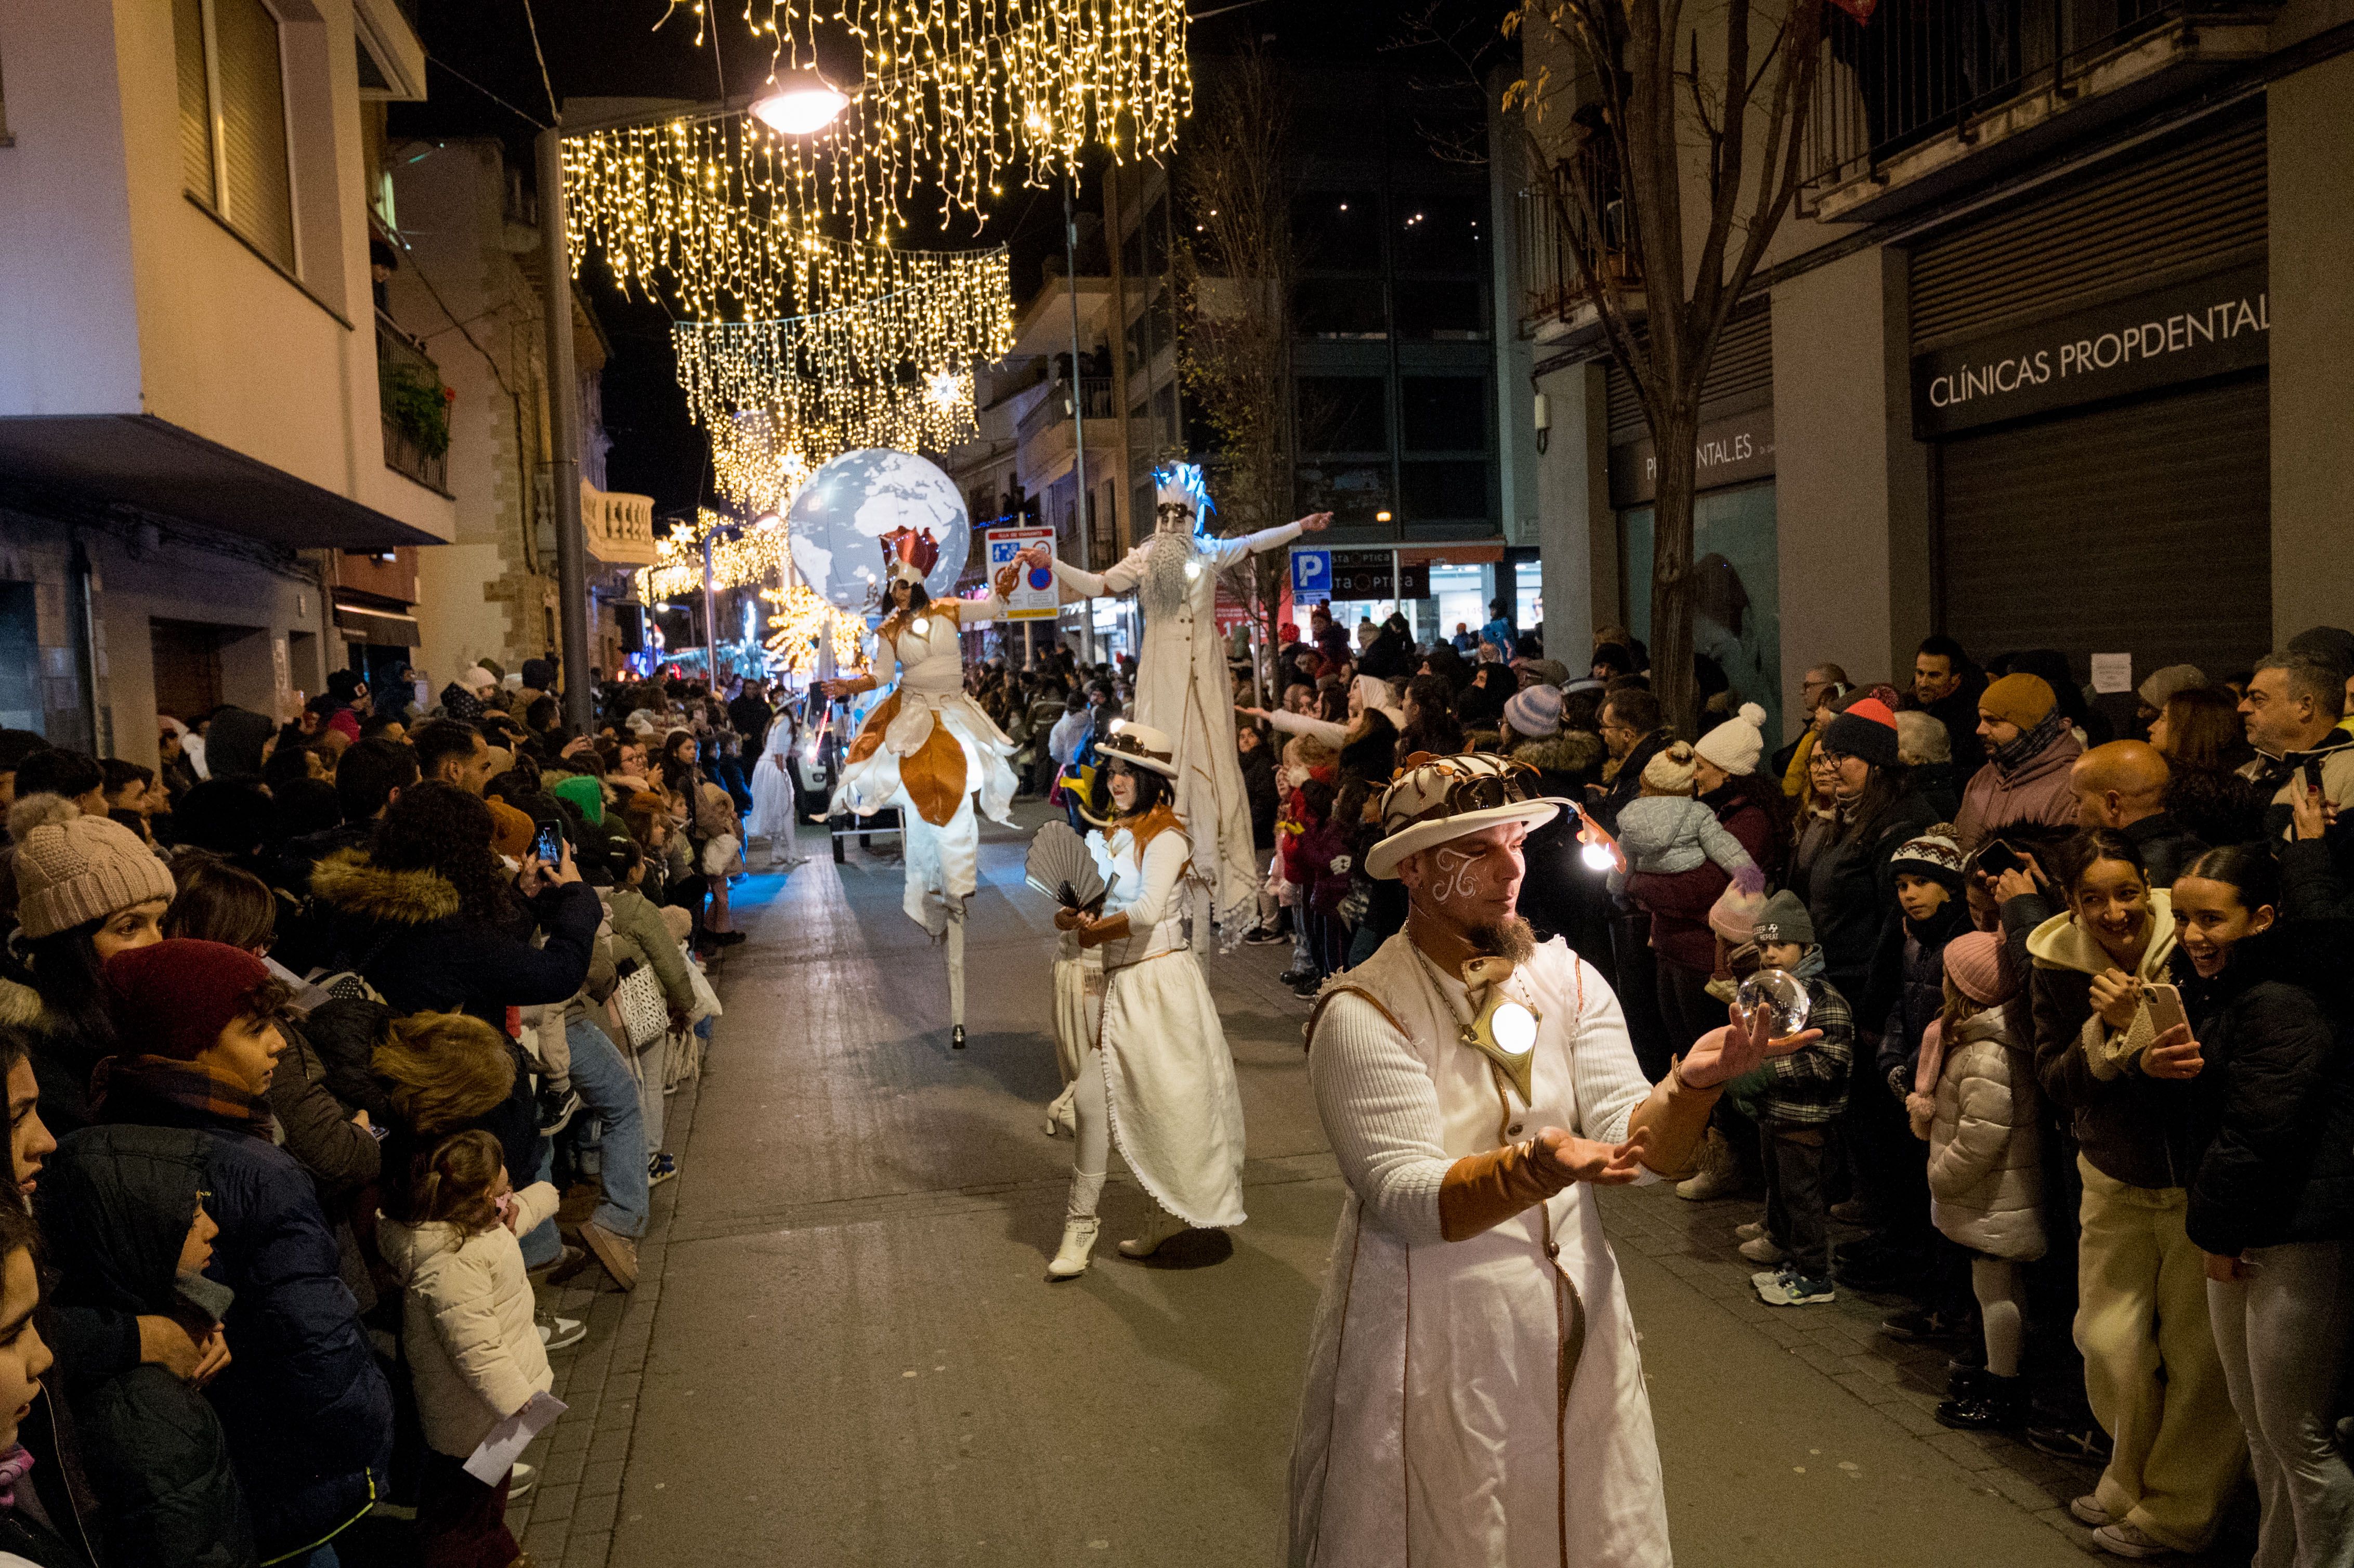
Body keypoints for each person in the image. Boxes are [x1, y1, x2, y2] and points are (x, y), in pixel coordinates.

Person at [1288, 751, 1819, 1565]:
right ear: (1418, 871)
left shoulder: (1566, 977)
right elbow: (1405, 1198)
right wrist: (1540, 1164)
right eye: (1481, 850)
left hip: (1577, 1321)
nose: (1512, 867)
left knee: (1586, 1527)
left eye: (1516, 840)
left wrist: (1689, 1087)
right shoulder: (1362, 1008)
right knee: (1448, 1531)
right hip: (1431, 1335)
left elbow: (1635, 1153)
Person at [98, 939, 394, 1565]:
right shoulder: (255, 1167)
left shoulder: (114, 1132)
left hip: (226, 1458)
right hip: (286, 1458)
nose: (279, 1043)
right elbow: (314, 1339)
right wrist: (371, 1430)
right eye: (256, 1028)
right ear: (193, 1039)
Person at [2024, 831, 2241, 1559]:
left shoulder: (2191, 936)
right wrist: (2106, 1033)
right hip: (2112, 1177)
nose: (2114, 913)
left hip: (2191, 1184)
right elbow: (2054, 1078)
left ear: (2146, 883)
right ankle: (2128, 1473)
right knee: (2108, 1343)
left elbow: (2220, 1053)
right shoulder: (2054, 958)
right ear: (2071, 903)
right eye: (2092, 899)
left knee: (2197, 1361)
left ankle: (2175, 1513)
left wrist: (2148, 1035)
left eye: (2125, 893)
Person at [1025, 466, 1330, 943]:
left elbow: (1255, 542)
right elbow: (1097, 584)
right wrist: (1053, 565)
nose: (1170, 521)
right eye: (1164, 512)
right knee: (1166, 754)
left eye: (1180, 512)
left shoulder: (1210, 553)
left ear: (1194, 517)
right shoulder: (1145, 558)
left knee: (1211, 756)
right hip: (1163, 672)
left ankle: (1207, 854)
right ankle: (1165, 846)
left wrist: (1299, 528)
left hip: (1205, 673)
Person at [2171, 846, 2354, 1568]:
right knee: (2260, 1429)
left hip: (2294, 1234)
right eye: (2183, 917)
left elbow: (2260, 1133)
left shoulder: (2280, 998)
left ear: (2264, 918)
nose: (2193, 934)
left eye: (2212, 918)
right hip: (2253, 1227)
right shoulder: (2232, 990)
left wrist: (2220, 1231)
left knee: (2299, 1438)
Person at [1044, 723, 1248, 1278]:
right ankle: (1080, 1225)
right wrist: (1072, 915)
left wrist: (1093, 929)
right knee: (1090, 1104)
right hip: (1116, 987)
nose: (1116, 781)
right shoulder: (1112, 833)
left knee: (1167, 1107)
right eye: (1112, 771)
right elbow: (1091, 898)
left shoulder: (1167, 838)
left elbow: (1148, 910)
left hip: (1158, 987)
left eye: (1128, 773)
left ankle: (1166, 1213)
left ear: (1153, 781)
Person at [823, 558, 1027, 1048]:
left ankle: (954, 889)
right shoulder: (889, 631)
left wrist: (1006, 580)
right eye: (892, 586)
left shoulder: (952, 611)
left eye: (902, 585)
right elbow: (879, 676)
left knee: (960, 806)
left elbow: (994, 609)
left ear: (917, 585)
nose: (896, 594)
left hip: (957, 718)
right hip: (917, 723)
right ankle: (937, 889)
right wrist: (848, 686)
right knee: (923, 801)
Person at [38, 1126, 257, 1568]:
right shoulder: (149, 1417)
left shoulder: (142, 1325)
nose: (212, 1228)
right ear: (133, 1233)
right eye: (192, 1215)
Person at [378, 1129, 561, 1568]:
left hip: (483, 1418)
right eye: (504, 1190)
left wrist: (545, 1197)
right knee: (460, 1518)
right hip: (477, 1419)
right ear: (482, 1196)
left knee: (480, 1504)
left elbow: (514, 1222)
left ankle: (503, 1557)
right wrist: (519, 1401)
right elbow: (477, 1352)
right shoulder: (455, 1263)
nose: (509, 1196)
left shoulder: (465, 1232)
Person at [1916, 931, 2045, 1433]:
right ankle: (2001, 1371)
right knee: (1999, 1289)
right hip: (1995, 1196)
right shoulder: (1984, 1040)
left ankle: (2003, 1388)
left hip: (1994, 1196)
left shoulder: (1987, 1054)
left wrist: (1940, 1177)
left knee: (1997, 1292)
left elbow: (1981, 1136)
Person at [1, 798, 176, 1133]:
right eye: (130, 927)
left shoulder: (123, 1013)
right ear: (70, 944)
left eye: (160, 923)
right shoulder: (36, 1065)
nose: (158, 945)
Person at [1723, 891, 1854, 1306]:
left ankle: (1814, 1275)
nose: (1771, 954)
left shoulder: (1824, 999)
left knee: (1803, 1197)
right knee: (1779, 1185)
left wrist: (1767, 1073)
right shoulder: (1774, 991)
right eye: (1764, 946)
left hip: (1805, 1117)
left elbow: (1831, 1060)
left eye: (1782, 945)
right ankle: (1788, 1254)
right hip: (1776, 1113)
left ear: (1807, 947)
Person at [1601, 741, 1765, 1054]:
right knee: (1703, 1039)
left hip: (1665, 939)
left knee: (1678, 1034)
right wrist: (1750, 875)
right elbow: (1724, 848)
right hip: (1693, 945)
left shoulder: (1630, 821)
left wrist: (1619, 892)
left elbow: (1622, 864)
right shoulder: (1698, 813)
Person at [1957, 673, 2084, 852]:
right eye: (1981, 719)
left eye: (1993, 722)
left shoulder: (2071, 786)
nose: (1980, 730)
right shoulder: (1983, 778)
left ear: (2029, 726)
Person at [2239, 650, 2354, 839]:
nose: (2242, 707)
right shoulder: (2249, 773)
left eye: (2258, 699)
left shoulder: (2349, 771)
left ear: (2305, 706)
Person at [2069, 741, 2204, 887]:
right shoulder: (2201, 855)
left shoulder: (2127, 876)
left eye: (2078, 800)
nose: (2073, 812)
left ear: (2112, 804)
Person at [2148, 685, 2264, 848]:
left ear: (2190, 727)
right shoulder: (2200, 782)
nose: (2151, 727)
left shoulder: (2200, 793)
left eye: (2163, 719)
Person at [744, 696, 809, 871]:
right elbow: (779, 751)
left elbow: (777, 748)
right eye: (794, 705)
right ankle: (792, 852)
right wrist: (782, 772)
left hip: (768, 767)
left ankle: (777, 852)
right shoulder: (786, 721)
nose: (797, 708)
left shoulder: (778, 721)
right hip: (774, 768)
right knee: (787, 810)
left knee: (777, 810)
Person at [1909, 634, 1987, 775]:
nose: (1923, 683)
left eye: (1934, 676)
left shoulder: (1973, 717)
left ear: (1955, 678)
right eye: (1920, 673)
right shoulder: (1910, 703)